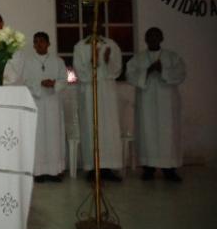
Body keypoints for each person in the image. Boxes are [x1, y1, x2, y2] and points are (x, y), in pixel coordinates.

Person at [126, 27, 186, 182]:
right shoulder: (138, 58)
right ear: (146, 39)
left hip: (167, 103)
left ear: (161, 38)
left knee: (168, 134)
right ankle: (148, 168)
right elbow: (130, 75)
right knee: (148, 133)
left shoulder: (172, 57)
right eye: (150, 37)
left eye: (156, 36)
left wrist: (163, 70)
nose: (153, 39)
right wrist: (147, 71)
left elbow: (180, 74)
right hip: (146, 102)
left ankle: (170, 169)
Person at [73, 19, 123, 182]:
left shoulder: (111, 45)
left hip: (107, 92)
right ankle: (92, 167)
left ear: (102, 26)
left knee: (108, 128)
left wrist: (107, 61)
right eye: (91, 24)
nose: (94, 27)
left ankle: (108, 167)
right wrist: (91, 62)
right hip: (89, 92)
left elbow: (117, 70)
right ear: (86, 26)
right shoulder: (80, 47)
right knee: (90, 126)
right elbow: (80, 72)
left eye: (97, 24)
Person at [23, 32, 67, 182]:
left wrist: (54, 83)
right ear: (34, 45)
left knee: (54, 135)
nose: (39, 44)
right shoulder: (28, 62)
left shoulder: (58, 61)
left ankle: (55, 170)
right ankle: (39, 171)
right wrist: (40, 84)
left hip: (53, 102)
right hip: (37, 102)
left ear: (48, 43)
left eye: (42, 41)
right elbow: (26, 81)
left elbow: (64, 80)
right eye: (36, 42)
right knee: (38, 136)